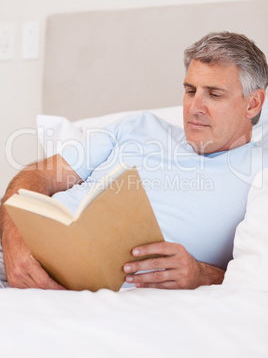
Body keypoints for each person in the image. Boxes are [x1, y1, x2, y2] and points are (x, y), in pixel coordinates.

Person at [0, 31, 267, 291]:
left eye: (214, 94)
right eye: (190, 90)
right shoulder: (137, 127)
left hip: (102, 284)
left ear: (253, 103)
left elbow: (254, 275)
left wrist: (203, 275)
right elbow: (37, 176)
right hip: (18, 253)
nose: (194, 107)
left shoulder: (259, 168)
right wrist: (14, 242)